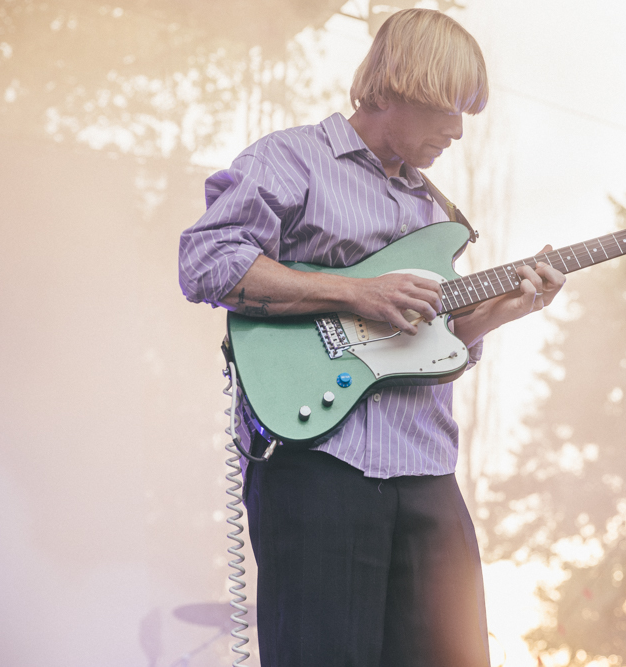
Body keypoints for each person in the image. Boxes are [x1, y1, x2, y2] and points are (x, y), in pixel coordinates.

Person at [178, 8, 564, 666]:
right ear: (394, 86)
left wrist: (504, 312)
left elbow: (432, 345)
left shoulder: (435, 210)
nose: (456, 131)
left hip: (426, 469)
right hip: (316, 460)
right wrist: (355, 290)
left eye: (466, 114)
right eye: (447, 108)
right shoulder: (289, 159)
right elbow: (208, 263)